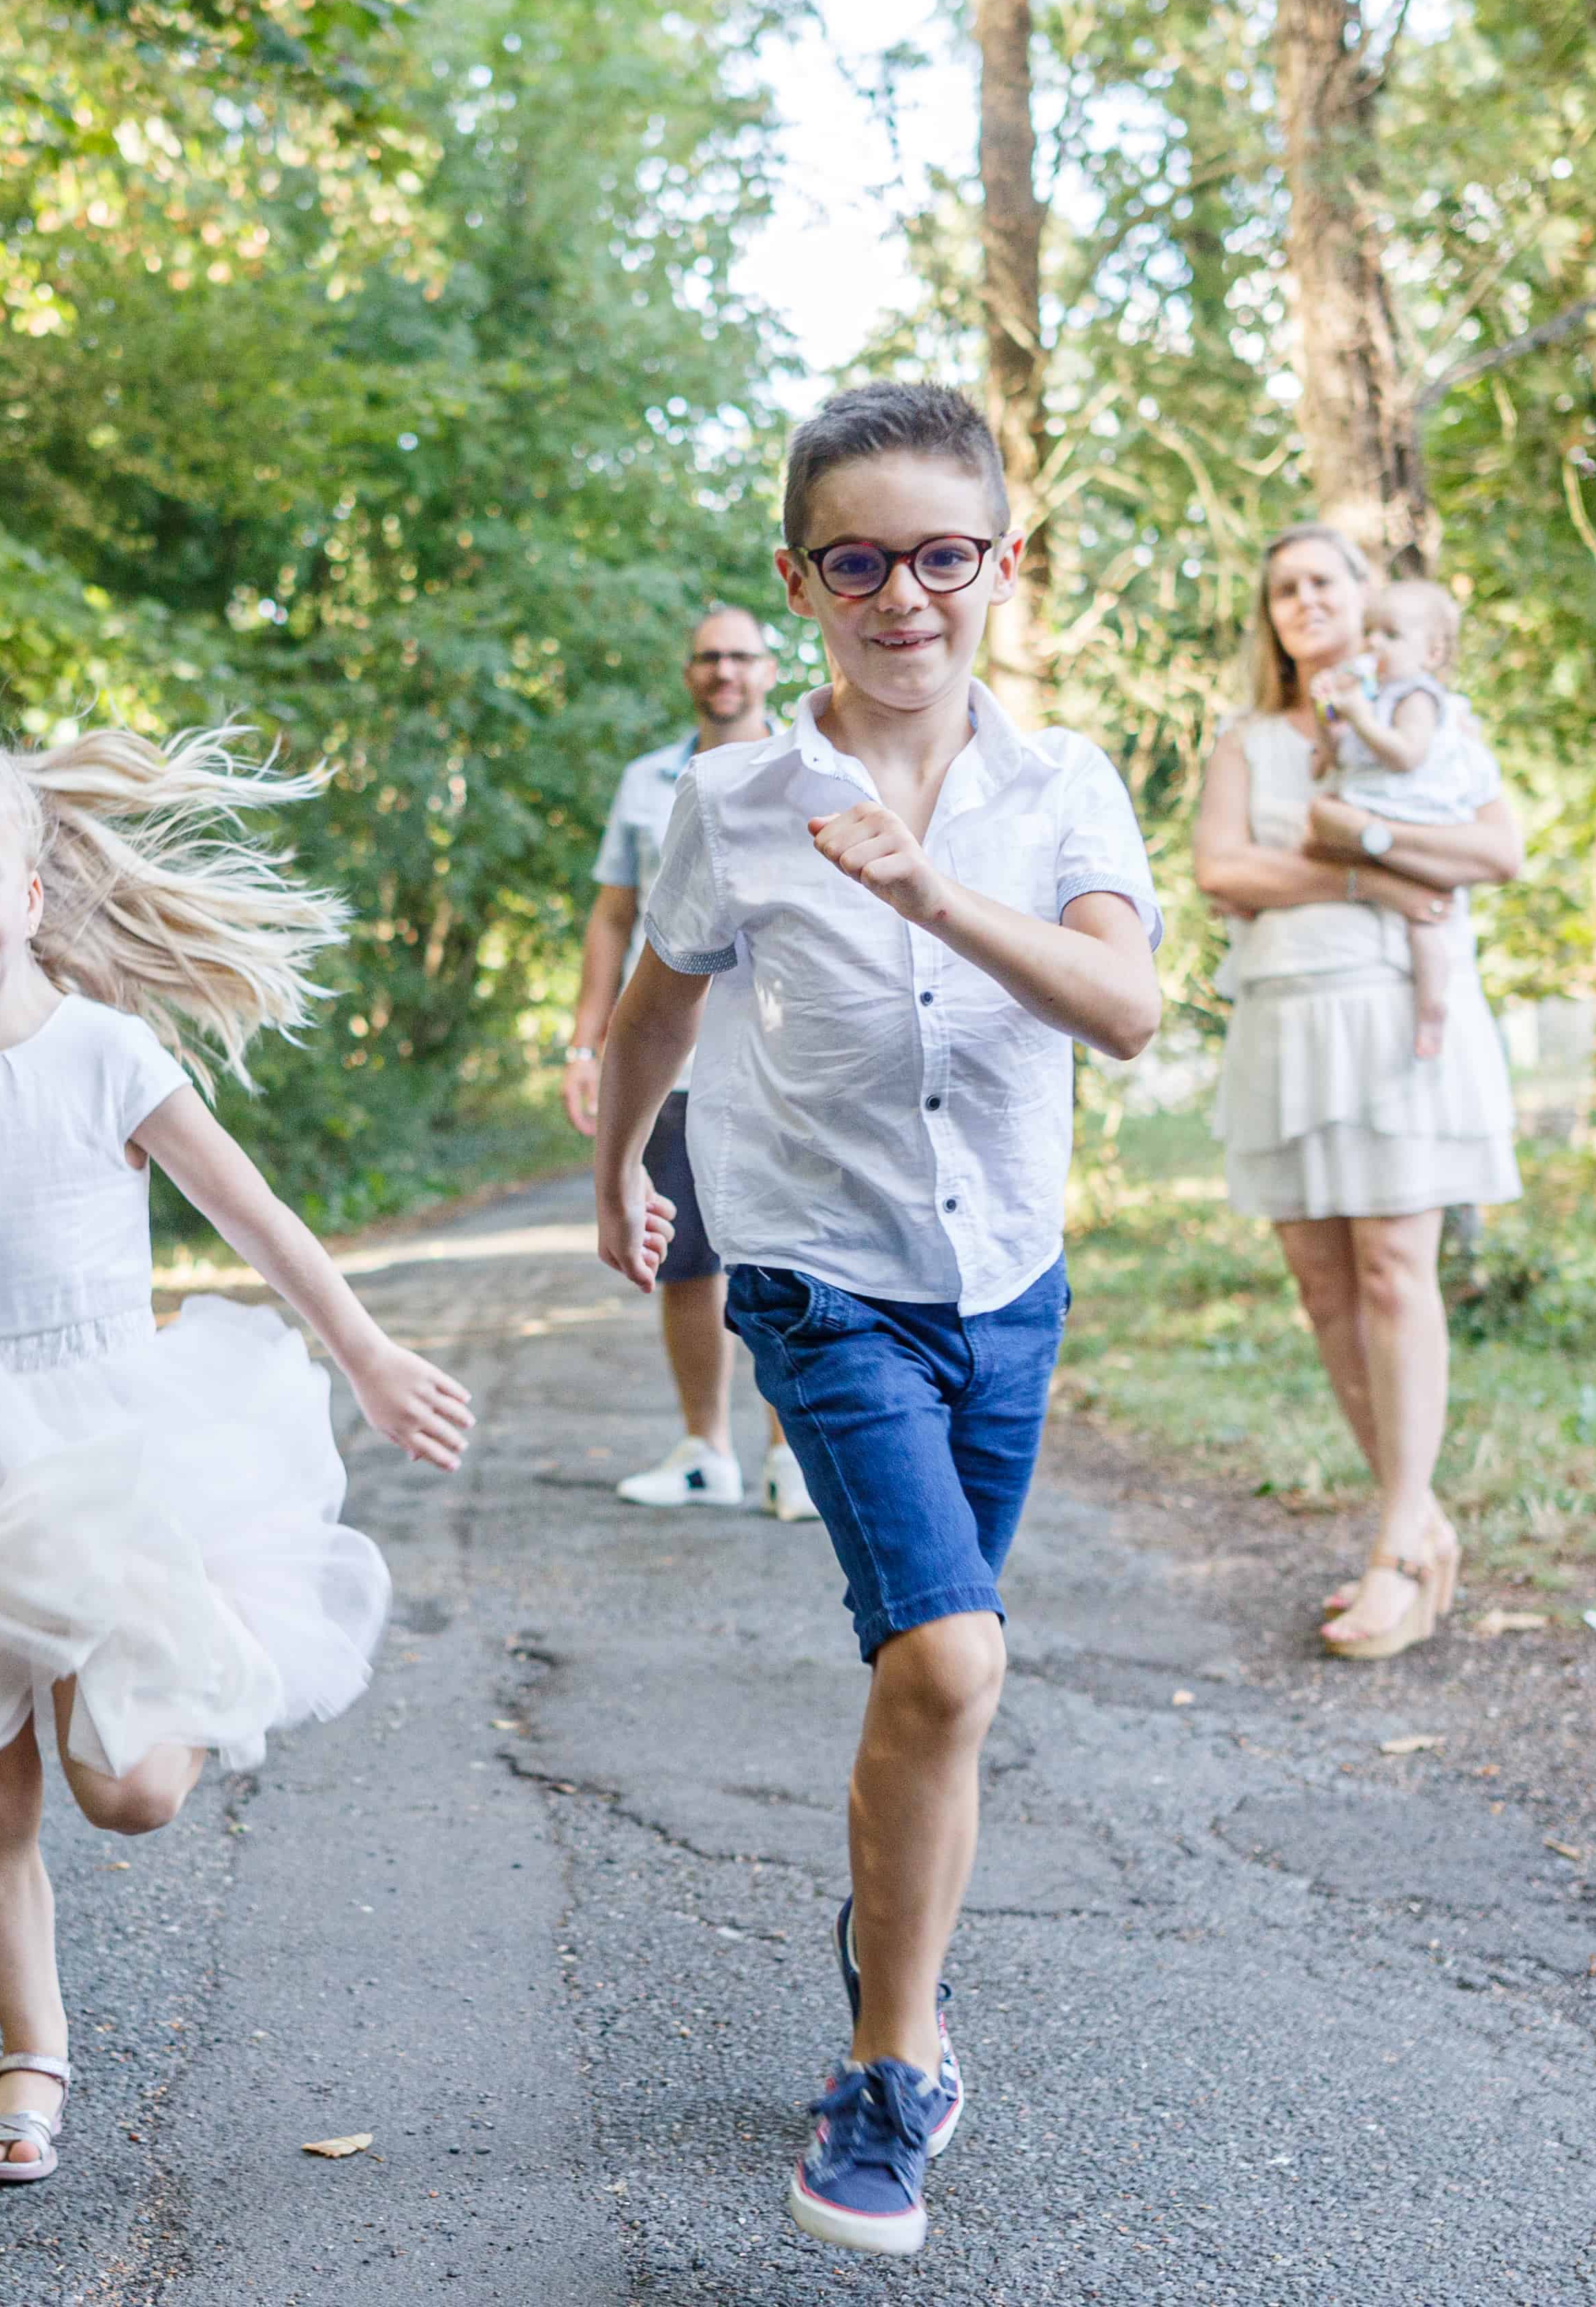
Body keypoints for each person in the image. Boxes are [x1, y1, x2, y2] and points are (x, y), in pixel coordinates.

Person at [0, 721, 472, 2187]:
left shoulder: (101, 1055)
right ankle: (30, 2057)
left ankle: (197, 1634)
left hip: (111, 1450)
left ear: (30, 890)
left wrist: (368, 1355)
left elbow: (258, 1219)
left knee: (129, 1789)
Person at [589, 383, 1162, 2257]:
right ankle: (892, 2069)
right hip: (821, 1278)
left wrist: (933, 892)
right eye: (860, 562)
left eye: (942, 556)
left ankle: (884, 1950)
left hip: (1006, 1289)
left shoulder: (1063, 785)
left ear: (1003, 563)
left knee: (938, 1679)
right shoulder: (730, 802)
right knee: (952, 1670)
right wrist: (618, 1169)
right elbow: (663, 1007)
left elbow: (1123, 1005)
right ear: (800, 579)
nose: (903, 596)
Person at [1191, 524, 1523, 1662]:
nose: (1303, 600)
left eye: (1323, 579)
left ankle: (1393, 1547)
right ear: (1268, 613)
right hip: (1283, 1018)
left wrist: (1368, 831)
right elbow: (1219, 869)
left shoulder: (1427, 718)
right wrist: (1365, 872)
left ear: (1362, 594)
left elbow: (1493, 849)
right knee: (1322, 1282)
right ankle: (1418, 1518)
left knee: (1391, 1265)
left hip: (1393, 1017)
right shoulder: (1247, 740)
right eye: (1282, 587)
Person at [562, 604, 807, 1517]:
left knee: (785, 1255)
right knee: (685, 1259)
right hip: (670, 1058)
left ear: (769, 669)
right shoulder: (645, 784)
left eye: (742, 656)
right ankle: (708, 1451)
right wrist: (587, 1044)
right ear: (688, 672)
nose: (725, 672)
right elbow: (613, 919)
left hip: (778, 1048)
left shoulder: (804, 772)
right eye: (709, 657)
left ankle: (795, 1457)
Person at [1321, 578, 1504, 1060]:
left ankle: (1432, 1009)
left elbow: (1405, 755)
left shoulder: (1418, 697)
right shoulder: (1381, 695)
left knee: (1426, 919)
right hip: (1375, 816)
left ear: (1433, 653)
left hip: (1413, 816)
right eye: (1369, 633)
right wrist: (1338, 725)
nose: (1374, 645)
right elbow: (1353, 753)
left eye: (1390, 635)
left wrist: (1360, 719)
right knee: (1413, 913)